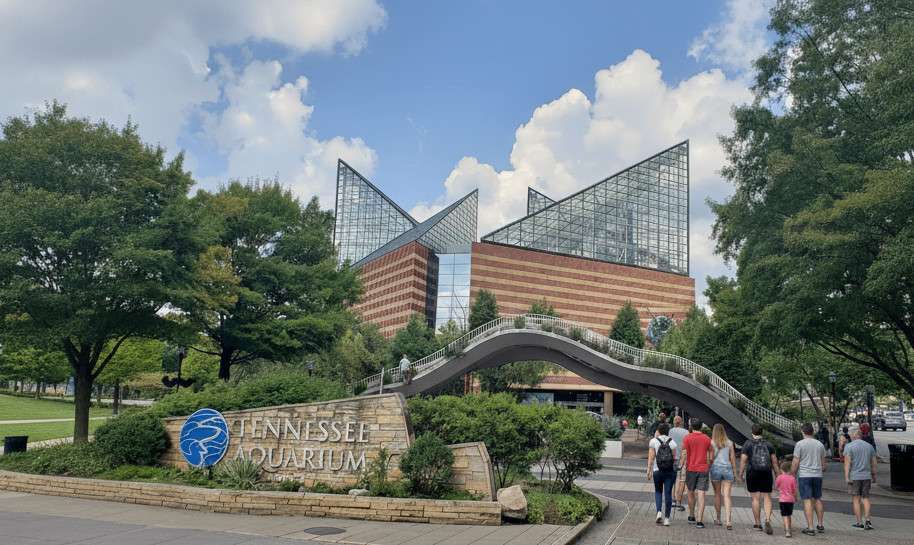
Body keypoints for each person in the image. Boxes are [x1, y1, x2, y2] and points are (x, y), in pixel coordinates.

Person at [739, 423, 778, 534]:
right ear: (762, 432)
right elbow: (774, 462)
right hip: (766, 473)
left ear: (752, 432)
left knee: (755, 499)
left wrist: (740, 474)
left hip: (753, 473)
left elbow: (743, 460)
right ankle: (767, 519)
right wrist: (778, 475)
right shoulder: (769, 445)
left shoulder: (748, 444)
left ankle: (757, 523)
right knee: (767, 497)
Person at [792, 422, 828, 536]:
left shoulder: (800, 444)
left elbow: (796, 461)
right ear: (813, 432)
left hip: (805, 475)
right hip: (817, 475)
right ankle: (821, 525)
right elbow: (824, 465)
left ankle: (810, 527)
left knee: (807, 500)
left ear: (803, 432)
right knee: (817, 499)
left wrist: (792, 473)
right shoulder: (820, 445)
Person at [843, 428, 878, 530]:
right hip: (867, 476)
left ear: (853, 436)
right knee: (866, 498)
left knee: (856, 500)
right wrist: (874, 476)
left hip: (855, 477)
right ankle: (867, 521)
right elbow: (874, 464)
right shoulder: (869, 446)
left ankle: (859, 522)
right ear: (861, 435)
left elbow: (847, 464)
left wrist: (846, 477)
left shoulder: (849, 446)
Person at [681, 417, 713, 528]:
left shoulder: (687, 438)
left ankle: (691, 515)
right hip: (703, 469)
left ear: (691, 427)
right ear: (701, 427)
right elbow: (711, 455)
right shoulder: (707, 439)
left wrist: (681, 465)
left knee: (690, 492)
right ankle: (700, 521)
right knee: (701, 494)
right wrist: (708, 465)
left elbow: (684, 453)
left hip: (690, 469)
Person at [646, 422, 677, 526]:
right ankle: (667, 519)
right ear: (668, 432)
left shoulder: (653, 441)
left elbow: (651, 457)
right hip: (669, 471)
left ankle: (659, 512)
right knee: (668, 493)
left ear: (658, 431)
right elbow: (674, 458)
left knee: (658, 491)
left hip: (657, 470)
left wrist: (649, 470)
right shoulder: (672, 442)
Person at [709, 424, 736, 529]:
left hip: (715, 469)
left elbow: (710, 458)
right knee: (727, 496)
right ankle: (728, 521)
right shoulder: (729, 442)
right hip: (727, 469)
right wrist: (735, 472)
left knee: (717, 494)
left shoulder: (711, 443)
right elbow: (733, 458)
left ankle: (718, 518)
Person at [668, 415, 689, 512]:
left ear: (674, 422)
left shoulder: (670, 431)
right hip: (682, 459)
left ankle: (672, 500)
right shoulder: (686, 432)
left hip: (672, 459)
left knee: (672, 480)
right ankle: (679, 502)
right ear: (681, 422)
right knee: (681, 480)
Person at [775, 460, 797, 538]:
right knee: (789, 514)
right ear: (789, 469)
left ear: (781, 469)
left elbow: (776, 486)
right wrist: (795, 497)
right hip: (790, 500)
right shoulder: (793, 478)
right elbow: (794, 490)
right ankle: (789, 528)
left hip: (782, 500)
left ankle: (787, 530)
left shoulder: (779, 477)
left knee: (784, 515)